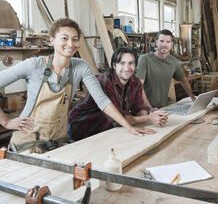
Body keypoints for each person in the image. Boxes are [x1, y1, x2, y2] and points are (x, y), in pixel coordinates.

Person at [0, 18, 153, 153]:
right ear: (52, 40)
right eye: (64, 38)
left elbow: (103, 101)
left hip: (58, 142)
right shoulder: (34, 65)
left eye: (74, 39)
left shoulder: (81, 67)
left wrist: (130, 127)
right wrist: (6, 122)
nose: (70, 44)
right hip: (27, 143)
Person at [68, 47, 168, 141]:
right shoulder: (105, 82)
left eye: (131, 63)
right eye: (122, 63)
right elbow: (118, 118)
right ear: (114, 65)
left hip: (107, 131)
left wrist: (153, 118)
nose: (127, 68)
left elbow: (139, 108)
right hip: (82, 131)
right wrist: (148, 119)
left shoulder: (135, 82)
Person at [136, 29, 196, 109]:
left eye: (168, 42)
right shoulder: (145, 59)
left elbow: (183, 80)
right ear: (156, 42)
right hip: (144, 108)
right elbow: (138, 85)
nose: (164, 45)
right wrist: (150, 108)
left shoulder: (174, 61)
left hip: (164, 107)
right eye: (161, 41)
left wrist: (193, 98)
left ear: (171, 44)